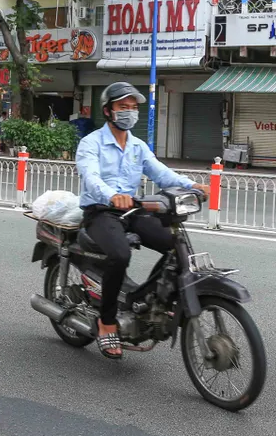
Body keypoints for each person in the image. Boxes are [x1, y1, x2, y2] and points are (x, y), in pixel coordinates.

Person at [76, 82, 211, 360]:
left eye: (133, 108)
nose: (129, 112)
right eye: (123, 107)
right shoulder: (90, 143)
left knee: (175, 243)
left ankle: (151, 300)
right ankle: (107, 321)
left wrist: (192, 185)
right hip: (100, 210)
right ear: (108, 111)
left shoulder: (137, 146)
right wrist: (112, 195)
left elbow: (161, 173)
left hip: (131, 209)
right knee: (120, 254)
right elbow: (91, 176)